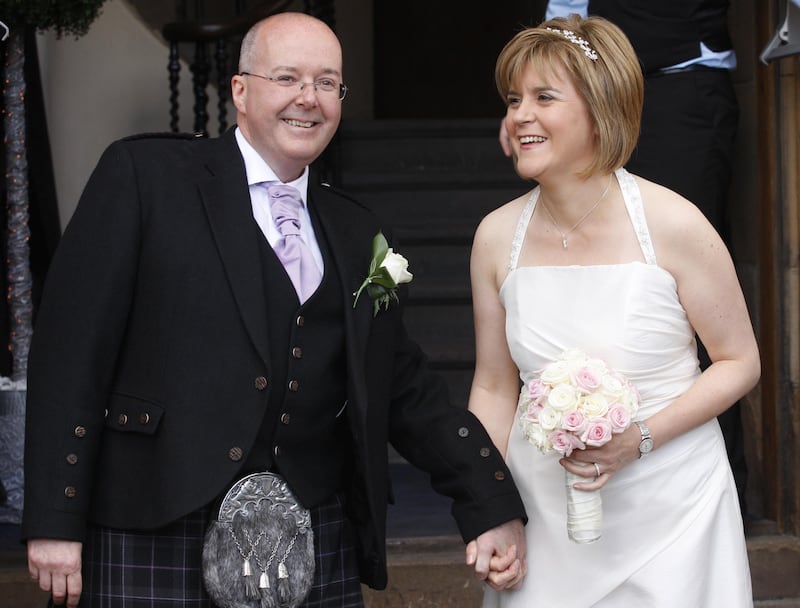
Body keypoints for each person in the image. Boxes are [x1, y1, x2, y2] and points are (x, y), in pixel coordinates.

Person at [22, 12, 527, 608]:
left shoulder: (359, 230)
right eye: (287, 78)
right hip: (155, 519)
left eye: (327, 83)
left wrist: (488, 500)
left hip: (312, 531)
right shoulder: (146, 178)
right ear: (240, 89)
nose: (308, 100)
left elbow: (401, 387)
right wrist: (55, 517)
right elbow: (71, 351)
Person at [470, 14, 758, 607]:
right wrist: (487, 504)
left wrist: (640, 439)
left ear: (600, 109)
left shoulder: (675, 223)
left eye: (543, 97)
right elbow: (496, 388)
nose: (519, 114)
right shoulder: (496, 238)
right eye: (513, 99)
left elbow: (738, 361)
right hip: (544, 519)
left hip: (673, 513)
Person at [532, 0, 751, 516]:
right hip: (584, 95)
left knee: (692, 298)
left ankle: (716, 498)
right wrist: (535, 103)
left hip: (681, 85)